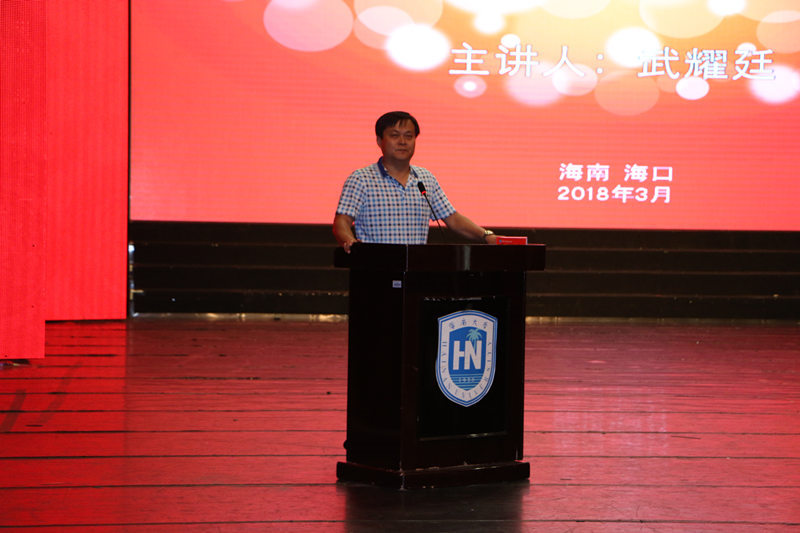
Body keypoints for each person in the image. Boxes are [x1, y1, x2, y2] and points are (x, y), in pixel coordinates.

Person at [333, 111, 497, 252]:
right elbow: (342, 221)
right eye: (394, 135)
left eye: (408, 136)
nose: (402, 142)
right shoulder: (361, 179)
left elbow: (453, 219)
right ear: (379, 140)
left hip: (415, 269)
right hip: (375, 268)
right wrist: (349, 240)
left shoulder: (425, 178)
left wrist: (486, 235)